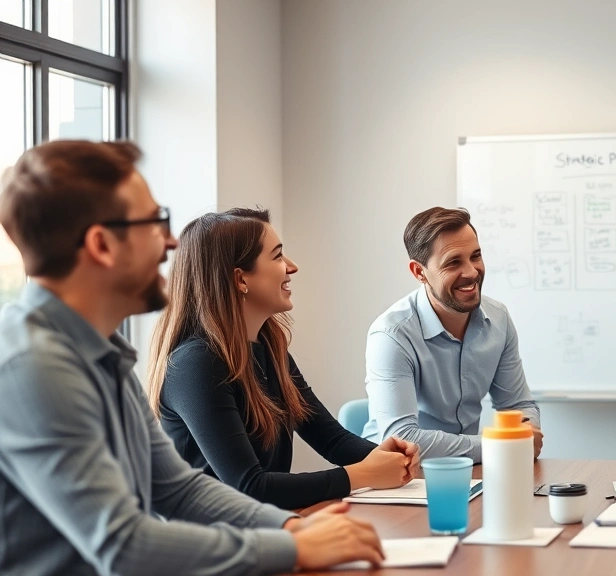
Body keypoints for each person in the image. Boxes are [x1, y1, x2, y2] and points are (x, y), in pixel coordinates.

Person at [0, 140, 385, 575]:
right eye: (154, 222)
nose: (169, 241)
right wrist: (292, 548)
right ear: (102, 245)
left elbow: (178, 489)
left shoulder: (101, 352)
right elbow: (123, 545)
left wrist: (291, 529)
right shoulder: (32, 366)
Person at [148, 208, 419, 511]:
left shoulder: (270, 348)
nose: (292, 267)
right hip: (211, 549)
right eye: (277, 256)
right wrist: (360, 475)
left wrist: (386, 457)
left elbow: (332, 440)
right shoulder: (195, 364)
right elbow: (249, 487)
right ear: (240, 279)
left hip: (264, 530)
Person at [363, 207, 542, 462]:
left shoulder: (498, 319)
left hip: (469, 472)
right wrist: (504, 445)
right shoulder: (391, 335)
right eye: (453, 262)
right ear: (419, 272)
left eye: (476, 256)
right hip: (400, 476)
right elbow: (403, 438)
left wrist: (525, 430)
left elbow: (519, 406)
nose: (471, 272)